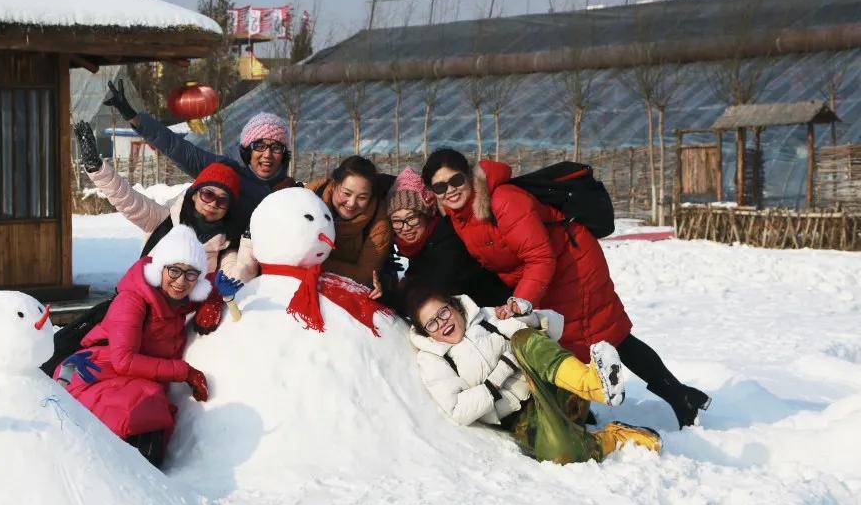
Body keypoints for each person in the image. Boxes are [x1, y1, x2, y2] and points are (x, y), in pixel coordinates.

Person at [421, 148, 709, 429]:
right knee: (567, 341)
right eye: (440, 186)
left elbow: (539, 256)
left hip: (573, 266)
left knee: (606, 334)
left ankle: (678, 398)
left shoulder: (504, 200)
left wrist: (522, 299)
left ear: (470, 177)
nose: (450, 190)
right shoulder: (460, 217)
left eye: (456, 180)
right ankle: (590, 408)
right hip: (543, 276)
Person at [406, 286, 661, 464]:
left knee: (521, 338)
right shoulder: (433, 359)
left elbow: (554, 326)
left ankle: (595, 384)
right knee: (562, 454)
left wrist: (528, 314)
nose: (443, 323)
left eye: (444, 312)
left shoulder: (487, 317)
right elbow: (460, 410)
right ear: (426, 332)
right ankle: (614, 437)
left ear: (455, 306)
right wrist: (501, 373)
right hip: (522, 419)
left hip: (560, 390)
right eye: (432, 323)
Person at [103, 80, 296, 281]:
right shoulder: (226, 173)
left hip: (269, 279)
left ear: (284, 154)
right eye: (260, 146)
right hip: (214, 269)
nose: (267, 155)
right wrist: (132, 116)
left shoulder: (291, 194)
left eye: (276, 147)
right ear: (248, 149)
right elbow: (177, 149)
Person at [54, 226, 212, 468]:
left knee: (148, 404)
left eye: (191, 274)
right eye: (174, 270)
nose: (181, 281)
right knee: (140, 405)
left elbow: (217, 284)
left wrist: (218, 298)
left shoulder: (177, 302)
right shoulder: (132, 301)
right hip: (94, 369)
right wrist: (184, 372)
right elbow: (123, 360)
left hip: (132, 375)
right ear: (160, 270)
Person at [74, 121, 241, 334]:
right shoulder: (165, 219)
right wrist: (96, 168)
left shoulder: (225, 246)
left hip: (176, 327)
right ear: (195, 193)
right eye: (208, 194)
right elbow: (127, 199)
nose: (212, 204)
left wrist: (214, 300)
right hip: (136, 312)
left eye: (222, 200)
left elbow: (231, 274)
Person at [385, 166, 512, 314]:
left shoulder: (447, 242)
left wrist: (388, 298)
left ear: (427, 215)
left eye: (412, 218)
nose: (405, 228)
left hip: (496, 314)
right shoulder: (420, 247)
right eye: (397, 221)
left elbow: (429, 296)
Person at [304, 156, 394, 288]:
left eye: (362, 197)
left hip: (347, 288)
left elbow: (365, 276)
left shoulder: (378, 222)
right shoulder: (310, 196)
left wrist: (315, 263)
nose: (351, 204)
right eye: (346, 193)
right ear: (334, 185)